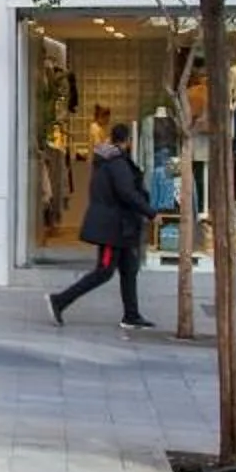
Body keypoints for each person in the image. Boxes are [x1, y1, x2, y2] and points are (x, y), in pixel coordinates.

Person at [49, 122, 155, 332]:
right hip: (112, 229)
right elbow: (127, 193)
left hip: (120, 227)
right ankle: (60, 300)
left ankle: (131, 315)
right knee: (104, 271)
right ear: (127, 141)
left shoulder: (109, 162)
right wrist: (150, 211)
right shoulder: (116, 164)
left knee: (129, 269)